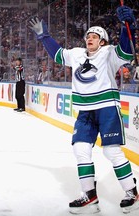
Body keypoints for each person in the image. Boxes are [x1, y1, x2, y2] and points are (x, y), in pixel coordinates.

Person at [29, 5, 138, 214]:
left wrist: (128, 27)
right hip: (85, 111)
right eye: (88, 35)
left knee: (111, 151)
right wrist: (44, 37)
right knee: (80, 150)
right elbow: (58, 55)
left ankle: (132, 192)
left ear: (103, 41)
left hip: (106, 108)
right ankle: (90, 195)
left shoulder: (109, 53)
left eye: (95, 36)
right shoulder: (77, 54)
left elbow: (125, 49)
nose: (90, 38)